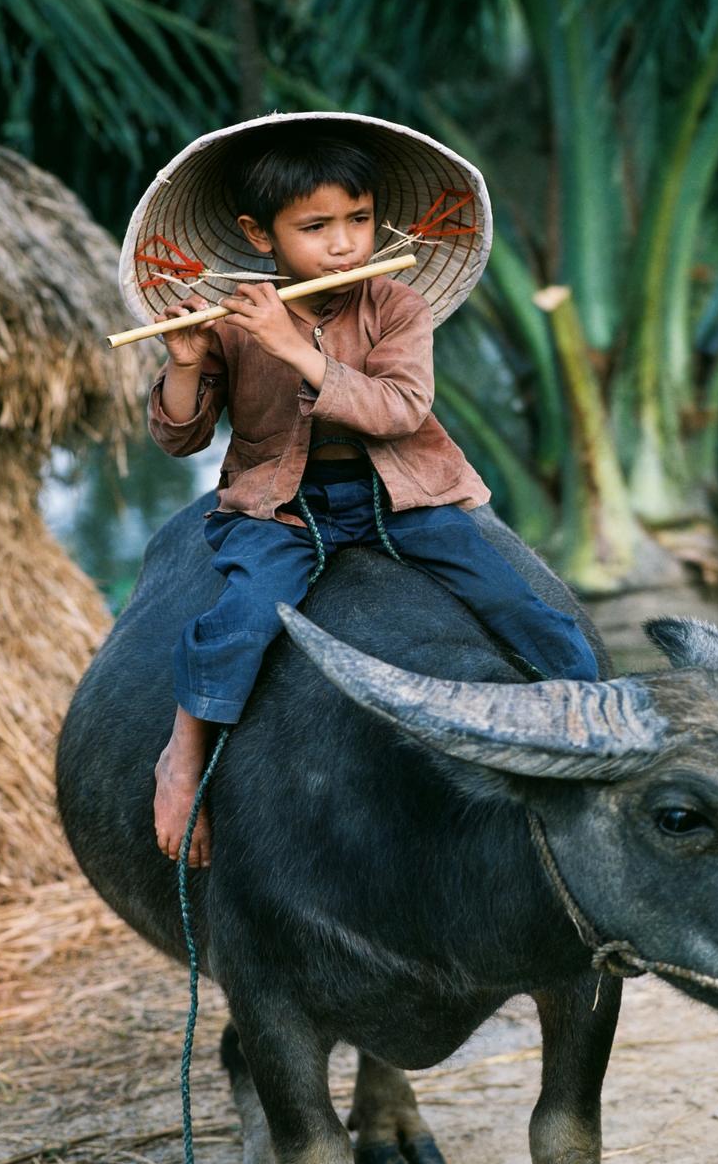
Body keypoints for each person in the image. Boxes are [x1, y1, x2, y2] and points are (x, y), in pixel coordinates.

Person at [120, 115, 599, 867]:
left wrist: (294, 349)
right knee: (240, 619)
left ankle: (607, 728)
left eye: (359, 220)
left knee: (518, 605)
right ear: (259, 233)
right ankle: (182, 757)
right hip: (281, 510)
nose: (344, 243)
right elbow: (180, 437)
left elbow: (400, 410)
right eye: (315, 226)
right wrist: (184, 364)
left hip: (402, 496)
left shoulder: (396, 307)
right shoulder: (237, 320)